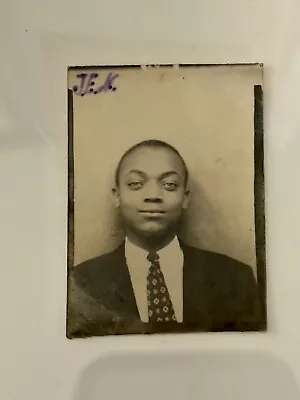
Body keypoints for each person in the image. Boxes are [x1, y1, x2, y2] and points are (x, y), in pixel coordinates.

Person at [67, 139, 262, 337]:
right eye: (136, 184)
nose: (153, 195)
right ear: (117, 195)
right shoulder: (81, 282)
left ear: (185, 197)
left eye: (169, 185)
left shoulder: (236, 280)